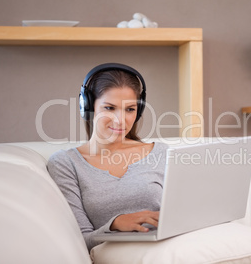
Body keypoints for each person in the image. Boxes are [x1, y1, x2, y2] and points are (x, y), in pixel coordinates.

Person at [47, 63, 169, 251]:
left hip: (171, 248)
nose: (120, 120)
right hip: (115, 255)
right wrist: (114, 224)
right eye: (110, 108)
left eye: (130, 109)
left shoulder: (162, 153)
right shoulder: (66, 163)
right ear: (87, 106)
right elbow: (80, 241)